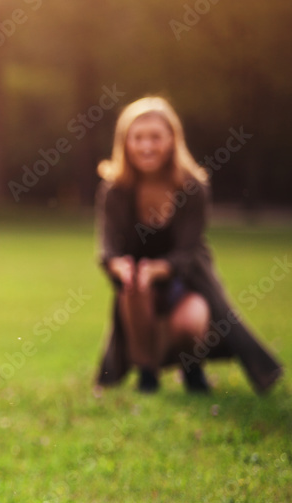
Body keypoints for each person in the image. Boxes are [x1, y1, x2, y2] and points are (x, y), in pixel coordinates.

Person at [94, 96, 282, 394]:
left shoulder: (192, 187)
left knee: (189, 321)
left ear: (172, 139)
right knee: (135, 284)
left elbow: (188, 251)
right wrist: (119, 265)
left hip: (186, 280)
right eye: (138, 138)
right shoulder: (115, 189)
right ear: (124, 141)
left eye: (155, 137)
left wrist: (159, 268)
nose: (146, 146)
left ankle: (192, 367)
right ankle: (147, 375)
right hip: (137, 288)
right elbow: (108, 245)